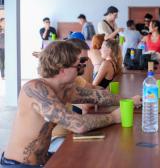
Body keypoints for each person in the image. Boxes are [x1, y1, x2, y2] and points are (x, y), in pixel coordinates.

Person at [1, 41, 141, 167]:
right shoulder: (35, 89)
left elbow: (98, 97)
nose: (82, 69)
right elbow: (78, 125)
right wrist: (114, 117)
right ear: (62, 69)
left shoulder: (64, 88)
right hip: (17, 165)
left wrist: (130, 100)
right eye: (78, 66)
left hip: (41, 160)